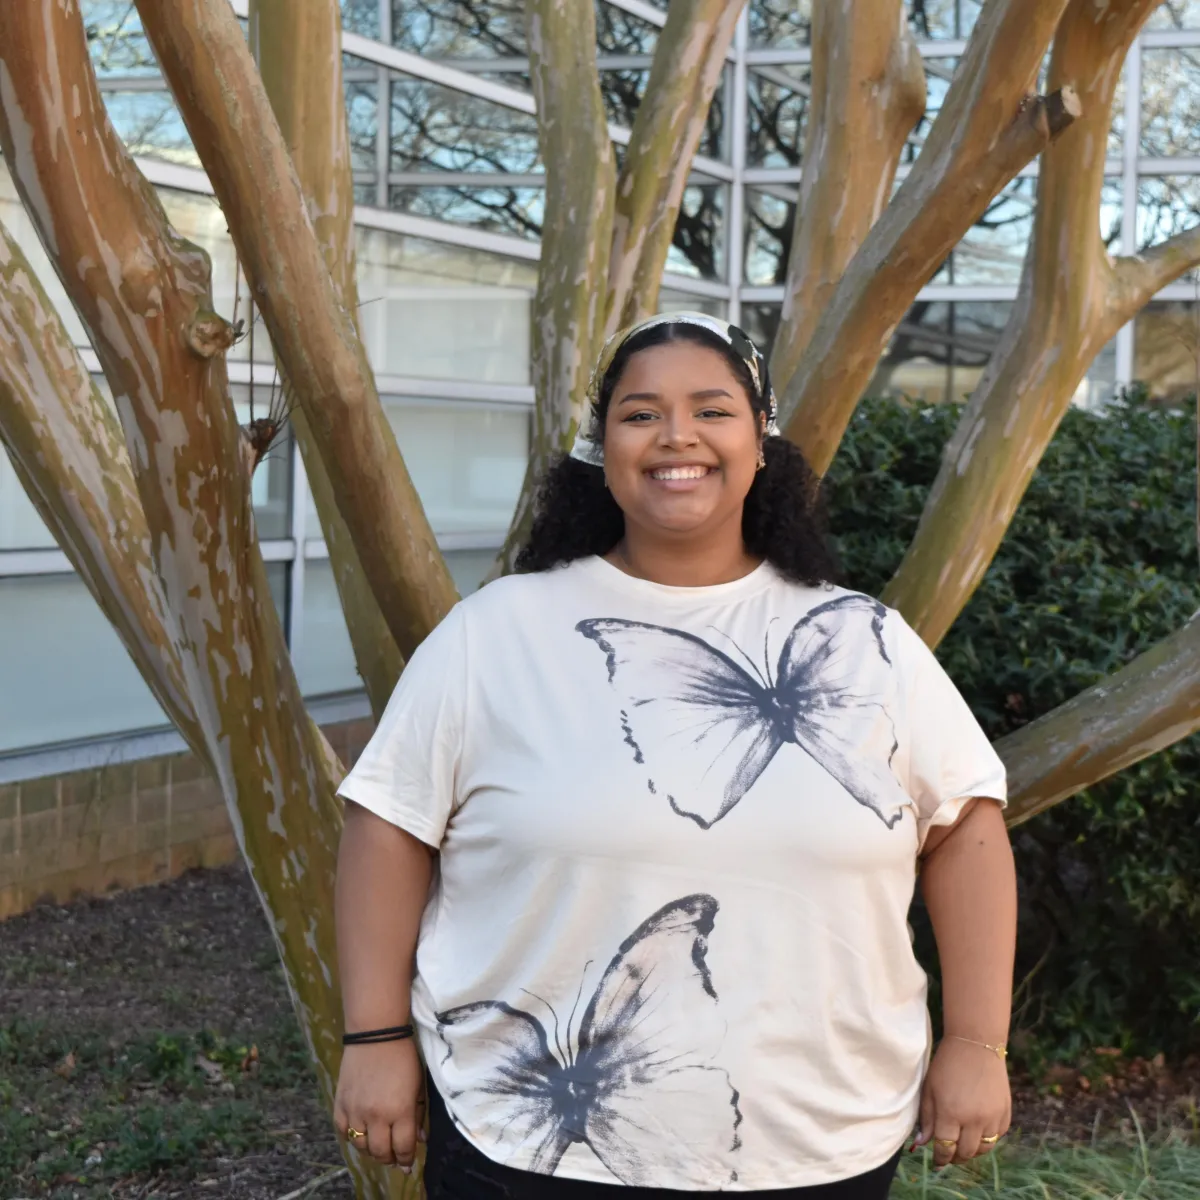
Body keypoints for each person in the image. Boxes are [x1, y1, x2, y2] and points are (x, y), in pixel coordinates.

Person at [332, 312, 1017, 1198]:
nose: (677, 437)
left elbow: (967, 827)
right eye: (641, 413)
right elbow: (387, 825)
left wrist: (975, 1042)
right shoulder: (496, 633)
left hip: (819, 1139)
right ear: (602, 445)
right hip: (533, 1142)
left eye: (712, 409)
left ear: (760, 441)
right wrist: (375, 1037)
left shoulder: (863, 640)